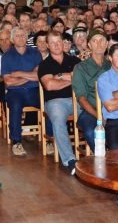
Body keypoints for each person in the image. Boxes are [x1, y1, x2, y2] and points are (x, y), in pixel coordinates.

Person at [39, 31, 80, 174]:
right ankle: (70, 160)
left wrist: (60, 77)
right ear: (48, 46)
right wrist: (72, 79)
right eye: (52, 43)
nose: (56, 45)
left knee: (98, 111)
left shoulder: (75, 61)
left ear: (63, 43)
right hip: (55, 102)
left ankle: (100, 151)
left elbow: (82, 81)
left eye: (59, 42)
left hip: (78, 99)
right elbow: (49, 85)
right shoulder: (44, 65)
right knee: (57, 118)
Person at [2, 27, 42, 156]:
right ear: (13, 39)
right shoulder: (7, 56)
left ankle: (49, 139)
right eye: (18, 36)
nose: (21, 38)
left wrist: (19, 74)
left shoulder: (35, 53)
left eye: (23, 35)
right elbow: (8, 81)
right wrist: (29, 75)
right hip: (15, 92)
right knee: (15, 106)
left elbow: (38, 76)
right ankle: (16, 142)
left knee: (49, 103)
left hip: (34, 90)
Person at [72, 29, 111, 153]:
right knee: (91, 131)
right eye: (95, 41)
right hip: (91, 111)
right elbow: (81, 98)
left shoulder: (113, 66)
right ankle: (103, 160)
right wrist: (99, 116)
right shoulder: (80, 68)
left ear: (107, 44)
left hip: (113, 109)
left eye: (102, 41)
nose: (99, 44)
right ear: (89, 45)